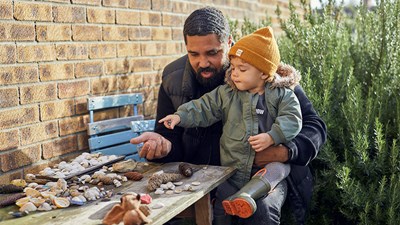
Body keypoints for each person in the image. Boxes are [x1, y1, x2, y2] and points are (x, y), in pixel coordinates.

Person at [130, 6, 327, 225]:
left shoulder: (265, 73)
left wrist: (283, 152)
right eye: (193, 54)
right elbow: (169, 137)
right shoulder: (172, 79)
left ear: (229, 43)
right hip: (200, 180)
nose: (203, 62)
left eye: (213, 53)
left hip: (262, 174)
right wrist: (163, 146)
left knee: (260, 209)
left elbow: (314, 125)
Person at [159, 26, 301, 220]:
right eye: (233, 68)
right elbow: (204, 107)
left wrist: (272, 136)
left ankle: (248, 196)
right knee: (221, 211)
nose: (234, 74)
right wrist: (180, 116)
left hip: (264, 169)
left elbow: (292, 119)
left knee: (278, 170)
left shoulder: (282, 95)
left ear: (263, 73)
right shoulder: (228, 94)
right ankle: (234, 203)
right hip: (232, 170)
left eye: (242, 69)